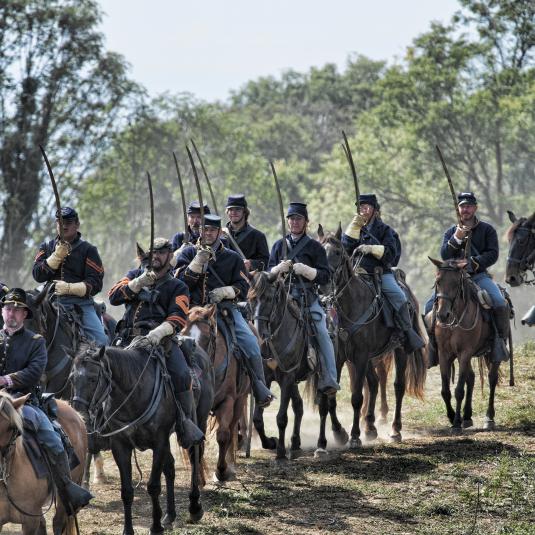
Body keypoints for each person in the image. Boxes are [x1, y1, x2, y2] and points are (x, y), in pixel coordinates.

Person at [0, 288, 93, 515]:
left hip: (26, 401)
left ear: (25, 315)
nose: (12, 314)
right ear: (2, 312)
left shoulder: (36, 341)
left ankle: (66, 485)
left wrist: (7, 379)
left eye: (17, 310)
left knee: (51, 437)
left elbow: (35, 371)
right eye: (8, 309)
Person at [108, 238, 203, 449]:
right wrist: (138, 282)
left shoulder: (178, 285)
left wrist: (157, 333)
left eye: (161, 253)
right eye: (153, 253)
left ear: (170, 256)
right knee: (100, 367)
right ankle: (101, 423)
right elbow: (113, 297)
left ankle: (184, 422)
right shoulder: (134, 275)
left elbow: (178, 318)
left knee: (181, 374)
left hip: (161, 342)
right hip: (128, 340)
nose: (156, 257)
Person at [175, 214, 274, 407]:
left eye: (212, 230)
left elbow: (244, 288)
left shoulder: (232, 257)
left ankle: (259, 386)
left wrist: (226, 291)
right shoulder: (187, 253)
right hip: (192, 312)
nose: (208, 233)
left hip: (225, 311)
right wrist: (196, 263)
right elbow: (179, 284)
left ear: (220, 232)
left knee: (251, 344)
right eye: (204, 230)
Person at [423, 192, 509, 365]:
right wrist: (457, 238)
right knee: (427, 307)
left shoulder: (487, 230)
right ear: (458, 209)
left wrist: (473, 263)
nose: (465, 209)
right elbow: (445, 254)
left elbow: (493, 254)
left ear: (475, 208)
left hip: (478, 276)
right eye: (462, 206)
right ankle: (433, 346)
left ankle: (499, 343)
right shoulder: (450, 232)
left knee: (499, 302)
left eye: (469, 206)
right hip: (453, 280)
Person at [268, 202, 340, 396]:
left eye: (298, 219)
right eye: (291, 219)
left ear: (306, 222)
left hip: (307, 299)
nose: (294, 222)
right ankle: (260, 378)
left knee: (322, 333)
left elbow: (326, 276)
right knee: (262, 328)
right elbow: (267, 276)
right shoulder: (278, 246)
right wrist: (276, 270)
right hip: (283, 300)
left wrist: (308, 271)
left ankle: (329, 378)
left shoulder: (315, 247)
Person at [342, 193, 425, 354]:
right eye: (360, 207)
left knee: (399, 297)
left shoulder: (386, 231)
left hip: (380, 274)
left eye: (367, 207)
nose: (363, 210)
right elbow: (345, 249)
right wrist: (353, 229)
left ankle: (405, 333)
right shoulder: (355, 228)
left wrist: (372, 249)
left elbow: (391, 255)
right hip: (355, 274)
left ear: (375, 211)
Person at [32, 207, 108, 346]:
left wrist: (70, 288)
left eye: (68, 222)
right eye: (60, 222)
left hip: (79, 304)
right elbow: (37, 274)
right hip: (50, 302)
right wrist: (55, 257)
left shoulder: (88, 250)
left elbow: (96, 283)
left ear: (77, 225)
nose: (64, 226)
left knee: (101, 342)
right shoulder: (47, 247)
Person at [223, 194, 270, 272]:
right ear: (227, 212)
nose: (234, 213)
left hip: (247, 279)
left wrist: (251, 263)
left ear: (244, 212)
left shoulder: (258, 236)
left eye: (237, 209)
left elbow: (265, 262)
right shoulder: (220, 234)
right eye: (231, 209)